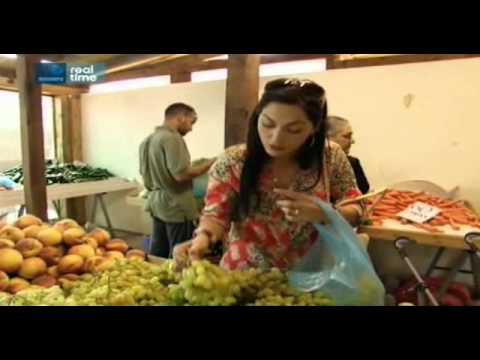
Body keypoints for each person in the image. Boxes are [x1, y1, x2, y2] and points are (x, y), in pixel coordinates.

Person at [174, 78, 364, 271]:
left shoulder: (330, 157)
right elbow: (215, 215)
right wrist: (203, 237)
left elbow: (357, 207)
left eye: (294, 130)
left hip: (311, 275)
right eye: (268, 124)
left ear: (314, 127)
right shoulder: (233, 161)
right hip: (244, 275)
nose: (276, 138)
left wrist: (324, 212)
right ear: (258, 117)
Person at [139, 103, 215, 259]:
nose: (191, 128)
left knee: (158, 250)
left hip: (156, 202)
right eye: (191, 122)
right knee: (180, 253)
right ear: (181, 118)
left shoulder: (148, 140)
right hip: (176, 204)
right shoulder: (172, 138)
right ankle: (175, 282)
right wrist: (211, 163)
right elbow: (181, 175)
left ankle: (157, 280)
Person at [327, 116, 370, 194]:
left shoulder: (353, 163)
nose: (352, 141)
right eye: (347, 136)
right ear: (328, 139)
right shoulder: (313, 172)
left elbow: (364, 197)